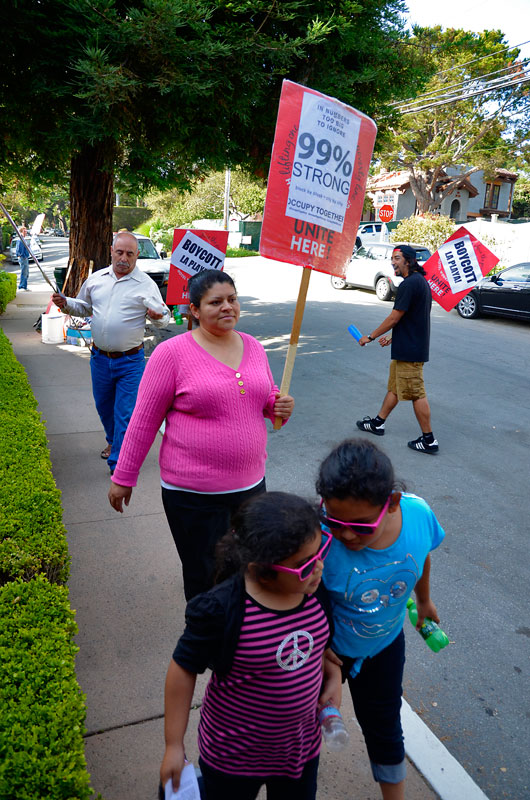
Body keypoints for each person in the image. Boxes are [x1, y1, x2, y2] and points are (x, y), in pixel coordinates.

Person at [108, 269, 295, 600]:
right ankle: (205, 644)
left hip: (251, 487)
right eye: (216, 302)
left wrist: (276, 405)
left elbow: (262, 396)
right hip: (193, 496)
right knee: (204, 576)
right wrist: (124, 475)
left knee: (248, 571)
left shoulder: (252, 346)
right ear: (194, 309)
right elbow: (143, 420)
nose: (228, 307)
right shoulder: (172, 354)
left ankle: (240, 639)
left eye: (233, 300)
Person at [160, 491, 341, 800]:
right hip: (233, 758)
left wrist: (334, 675)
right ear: (261, 570)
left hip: (300, 750)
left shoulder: (314, 590)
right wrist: (174, 745)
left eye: (319, 553)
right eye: (303, 565)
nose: (318, 568)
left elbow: (318, 646)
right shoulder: (222, 610)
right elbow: (183, 669)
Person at [316, 438, 445, 800]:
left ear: (391, 504)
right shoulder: (315, 537)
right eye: (334, 519)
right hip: (328, 654)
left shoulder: (418, 515)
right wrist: (323, 655)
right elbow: (296, 598)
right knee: (305, 729)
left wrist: (424, 600)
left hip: (385, 647)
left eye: (359, 525)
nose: (345, 534)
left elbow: (422, 553)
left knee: (385, 726)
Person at [52, 231, 170, 473]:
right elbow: (84, 307)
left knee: (125, 412)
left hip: (131, 361)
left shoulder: (146, 285)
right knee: (104, 407)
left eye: (129, 254)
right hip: (100, 359)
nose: (123, 258)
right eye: (119, 252)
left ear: (137, 255)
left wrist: (159, 317)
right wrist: (65, 303)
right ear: (111, 252)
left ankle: (118, 464)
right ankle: (113, 441)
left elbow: (164, 318)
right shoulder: (96, 279)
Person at [356, 244, 439, 454]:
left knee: (417, 394)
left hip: (411, 351)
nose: (393, 262)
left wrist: (371, 337)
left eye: (397, 258)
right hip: (406, 346)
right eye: (392, 258)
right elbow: (412, 319)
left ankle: (429, 440)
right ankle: (378, 423)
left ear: (408, 261)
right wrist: (393, 338)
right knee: (394, 388)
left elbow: (395, 317)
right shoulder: (419, 282)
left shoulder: (409, 285)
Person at [16, 226, 30, 291]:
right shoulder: (20, 239)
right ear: (21, 232)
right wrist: (22, 256)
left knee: (26, 273)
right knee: (24, 272)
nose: (26, 232)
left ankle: (24, 286)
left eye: (26, 231)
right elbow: (19, 250)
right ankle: (22, 286)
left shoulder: (23, 239)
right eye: (24, 231)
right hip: (23, 258)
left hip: (25, 257)